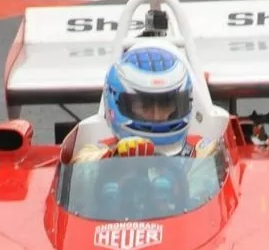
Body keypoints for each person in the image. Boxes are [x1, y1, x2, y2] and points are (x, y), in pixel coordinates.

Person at [70, 41, 216, 163]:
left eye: (166, 104)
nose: (157, 116)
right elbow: (82, 169)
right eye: (145, 105)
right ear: (116, 103)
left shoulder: (204, 154)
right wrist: (115, 160)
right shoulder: (94, 158)